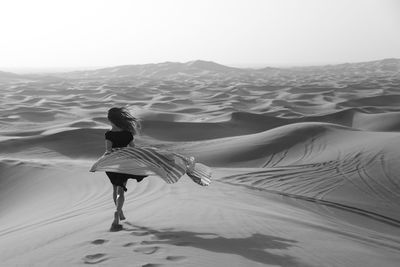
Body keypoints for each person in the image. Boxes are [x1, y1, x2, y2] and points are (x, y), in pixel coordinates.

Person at [104, 107, 146, 227]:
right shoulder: (127, 134)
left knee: (114, 188)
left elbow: (108, 150)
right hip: (124, 163)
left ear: (110, 120)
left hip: (112, 163)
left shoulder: (109, 134)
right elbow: (133, 148)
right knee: (121, 190)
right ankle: (118, 211)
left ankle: (119, 211)